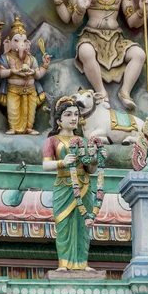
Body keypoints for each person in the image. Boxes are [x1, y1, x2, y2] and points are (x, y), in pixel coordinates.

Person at [42, 97, 105, 272]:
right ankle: (64, 263)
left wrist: (95, 161)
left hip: (84, 185)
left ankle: (81, 262)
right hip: (64, 185)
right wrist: (62, 162)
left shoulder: (84, 141)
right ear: (58, 120)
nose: (73, 118)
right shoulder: (52, 141)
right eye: (68, 115)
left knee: (83, 224)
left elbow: (90, 169)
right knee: (64, 223)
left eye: (76, 114)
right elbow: (46, 165)